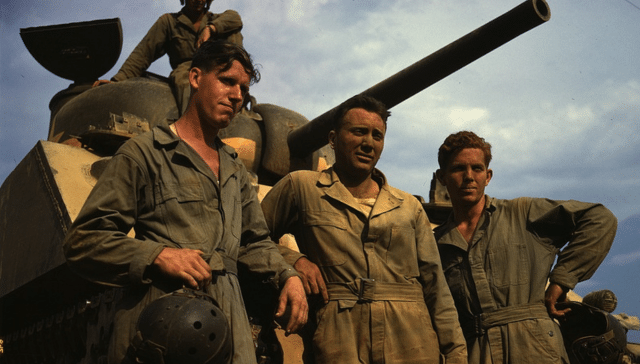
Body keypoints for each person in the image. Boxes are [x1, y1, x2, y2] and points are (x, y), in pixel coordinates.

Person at [63, 40, 307, 364]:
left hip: (229, 325)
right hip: (164, 320)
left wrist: (287, 275)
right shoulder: (145, 153)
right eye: (227, 81)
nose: (237, 96)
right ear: (195, 78)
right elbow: (83, 241)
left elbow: (255, 242)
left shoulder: (234, 169)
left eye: (244, 89)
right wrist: (157, 255)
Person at [260, 95, 468, 364]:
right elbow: (250, 238)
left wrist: (455, 354)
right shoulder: (302, 188)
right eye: (358, 132)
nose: (368, 143)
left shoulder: (408, 206)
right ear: (333, 139)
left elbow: (436, 288)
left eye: (377, 136)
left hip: (412, 342)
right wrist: (293, 262)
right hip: (340, 339)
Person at [434, 130, 618, 364]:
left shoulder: (521, 213)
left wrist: (561, 281)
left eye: (477, 168)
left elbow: (600, 218)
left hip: (535, 346)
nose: (469, 176)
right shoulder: (438, 243)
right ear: (442, 177)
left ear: (488, 176)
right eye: (459, 168)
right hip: (476, 349)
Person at [97, 0, 243, 114]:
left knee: (234, 35)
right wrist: (117, 81)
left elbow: (235, 18)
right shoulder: (169, 22)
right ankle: (193, 129)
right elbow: (143, 54)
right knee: (188, 81)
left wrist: (211, 28)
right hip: (186, 69)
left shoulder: (216, 20)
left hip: (216, 69)